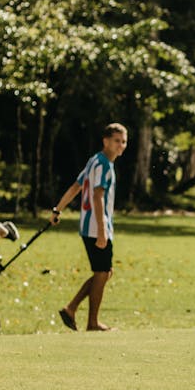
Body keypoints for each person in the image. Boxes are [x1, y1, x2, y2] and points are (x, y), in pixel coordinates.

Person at [49, 123, 128, 331]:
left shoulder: (95, 161)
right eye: (116, 141)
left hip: (90, 227)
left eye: (123, 141)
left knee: (104, 272)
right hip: (96, 227)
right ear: (106, 141)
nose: (121, 145)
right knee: (102, 273)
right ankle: (92, 322)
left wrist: (58, 209)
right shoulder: (103, 164)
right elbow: (97, 195)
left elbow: (76, 186)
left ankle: (71, 308)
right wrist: (102, 231)